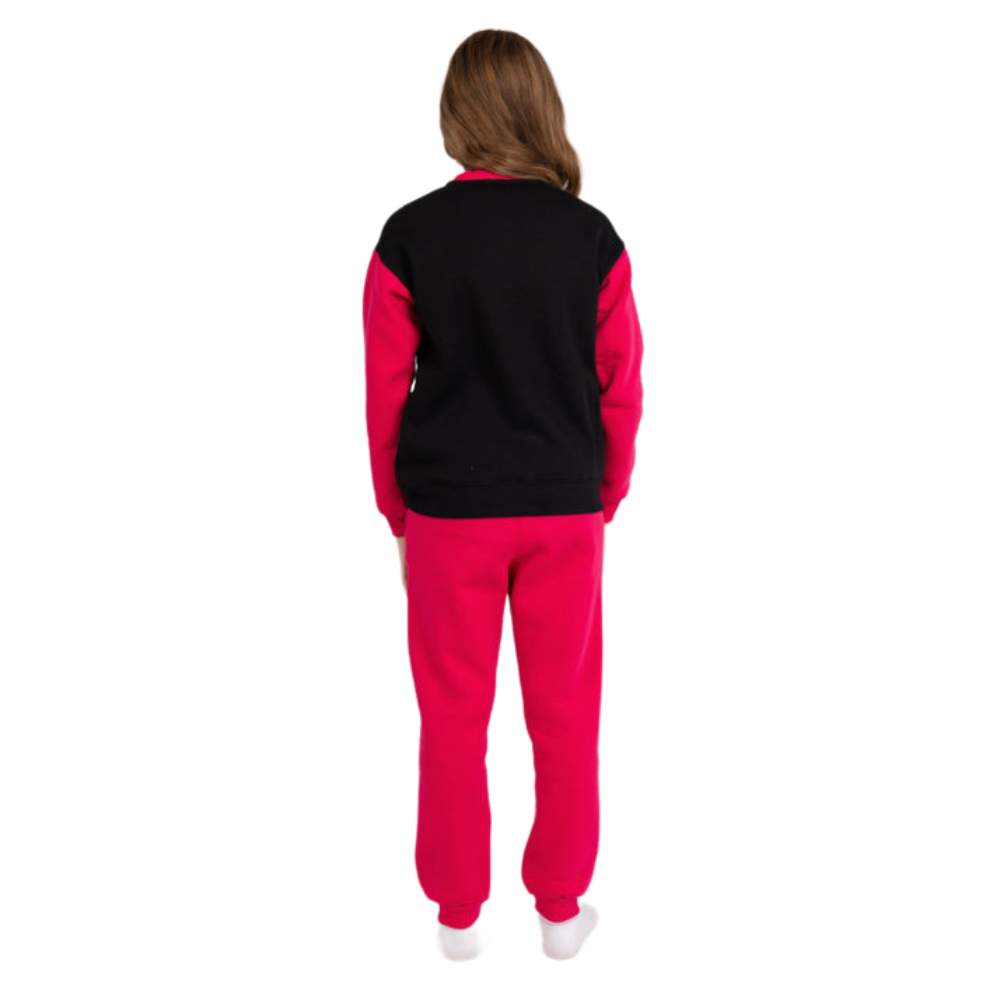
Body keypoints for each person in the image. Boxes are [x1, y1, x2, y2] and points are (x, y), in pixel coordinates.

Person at [362, 28, 644, 961]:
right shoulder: (591, 238)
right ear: (540, 109)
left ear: (456, 114)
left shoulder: (409, 237)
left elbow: (384, 391)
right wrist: (603, 493)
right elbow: (622, 385)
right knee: (565, 716)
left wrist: (397, 511)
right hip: (565, 508)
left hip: (449, 515)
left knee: (451, 717)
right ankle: (560, 912)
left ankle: (456, 918)